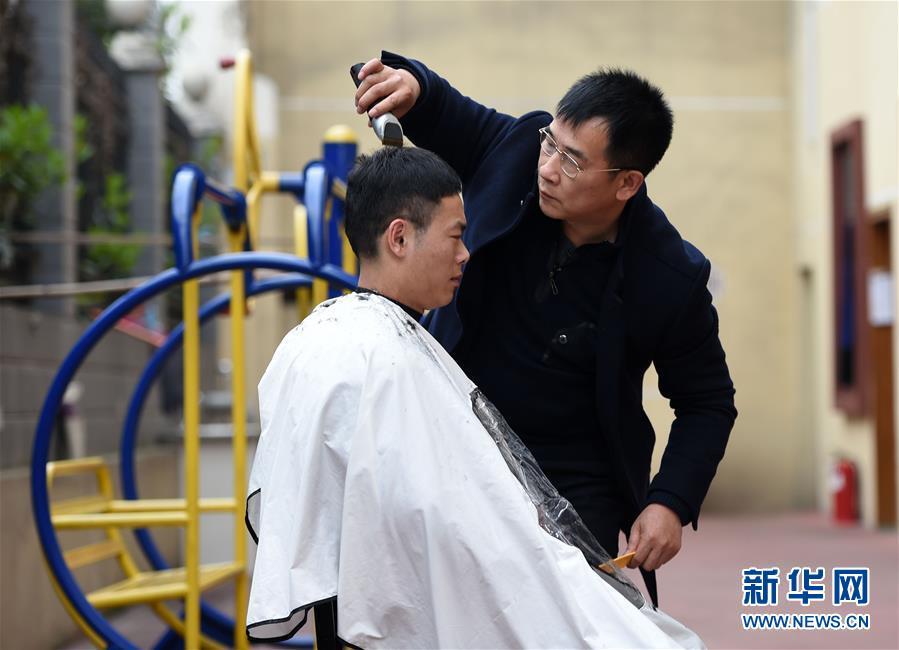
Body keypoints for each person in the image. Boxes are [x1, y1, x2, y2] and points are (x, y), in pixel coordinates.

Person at [244, 147, 703, 648]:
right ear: (399, 237)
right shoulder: (378, 358)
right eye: (455, 236)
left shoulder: (322, 340)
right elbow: (419, 519)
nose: (466, 254)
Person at [353, 53, 738, 604]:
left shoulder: (669, 275)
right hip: (456, 438)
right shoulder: (518, 152)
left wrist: (670, 502)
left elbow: (707, 401)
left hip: (576, 482)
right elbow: (446, 109)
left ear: (627, 183)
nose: (550, 168)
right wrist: (413, 85)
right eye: (550, 144)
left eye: (573, 161)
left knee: (565, 621)